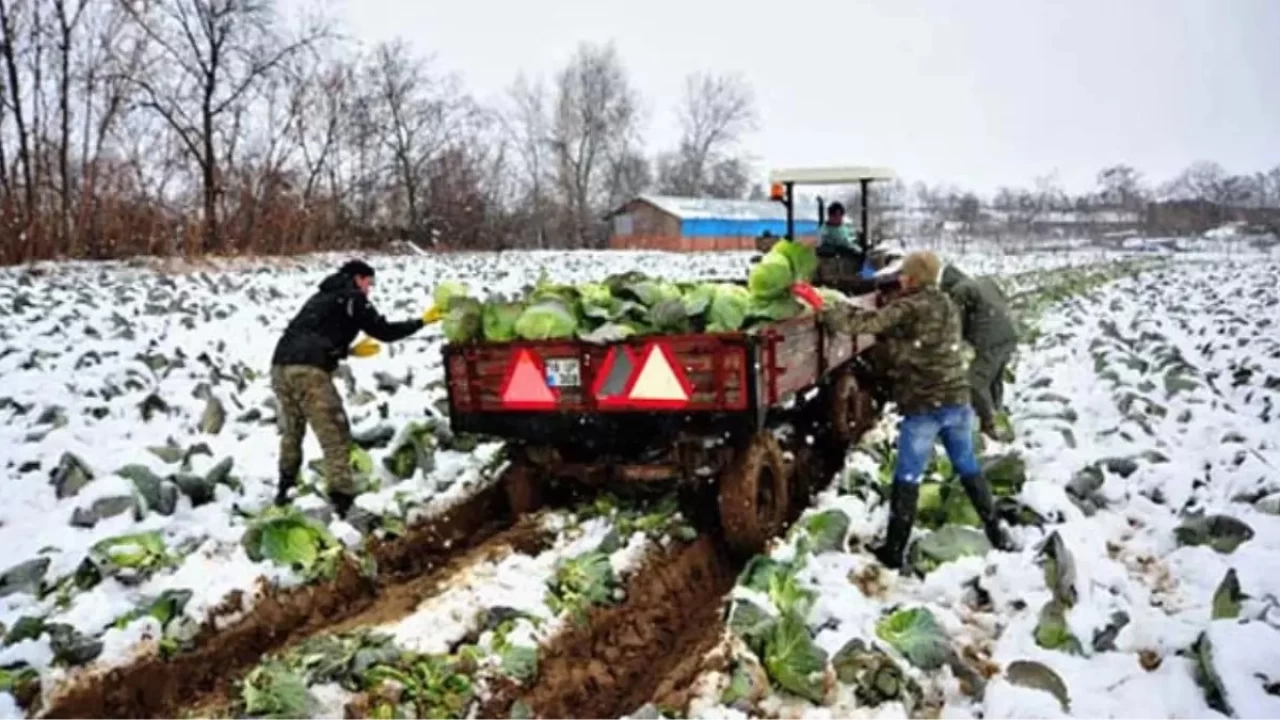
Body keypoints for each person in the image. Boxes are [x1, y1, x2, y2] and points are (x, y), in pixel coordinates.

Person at [821, 250, 1013, 570]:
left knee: (907, 475)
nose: (901, 278)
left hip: (925, 405)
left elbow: (863, 324)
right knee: (967, 466)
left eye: (905, 274)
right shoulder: (947, 304)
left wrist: (827, 309)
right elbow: (918, 336)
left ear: (912, 277)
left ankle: (894, 551)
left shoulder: (908, 306)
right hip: (956, 400)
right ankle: (996, 532)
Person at [270, 259, 441, 518]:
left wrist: (347, 351)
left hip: (280, 366)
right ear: (357, 278)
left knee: (293, 430)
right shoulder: (352, 298)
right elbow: (383, 331)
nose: (369, 289)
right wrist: (422, 321)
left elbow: (313, 332)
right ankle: (342, 502)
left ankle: (285, 488)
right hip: (309, 371)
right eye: (368, 282)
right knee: (334, 433)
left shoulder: (321, 296)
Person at [939, 263, 1018, 440]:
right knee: (994, 380)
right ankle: (998, 415)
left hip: (989, 341)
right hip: (1008, 336)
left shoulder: (959, 291)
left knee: (975, 382)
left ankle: (991, 425)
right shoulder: (984, 283)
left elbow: (955, 324)